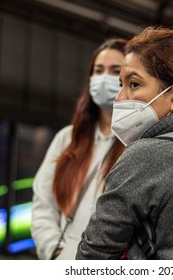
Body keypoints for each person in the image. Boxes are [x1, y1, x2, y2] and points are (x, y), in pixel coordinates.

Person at [76, 26, 173, 260]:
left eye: (134, 84)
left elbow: (94, 253)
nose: (119, 98)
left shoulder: (146, 156)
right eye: (121, 85)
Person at [31, 38, 126, 260]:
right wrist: (56, 253)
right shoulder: (67, 138)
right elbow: (43, 205)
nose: (104, 78)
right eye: (98, 70)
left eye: (115, 71)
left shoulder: (139, 143)